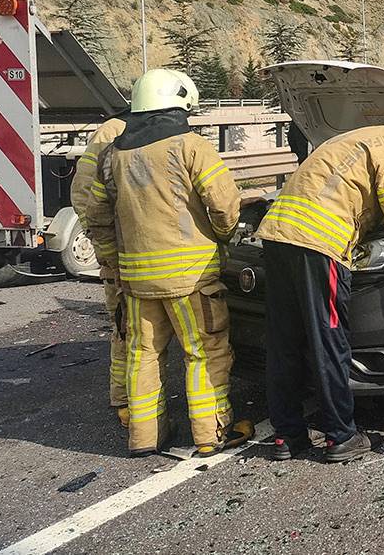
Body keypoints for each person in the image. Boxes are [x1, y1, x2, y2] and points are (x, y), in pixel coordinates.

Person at [255, 114, 384, 463]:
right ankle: (341, 435)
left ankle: (287, 435)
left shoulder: (358, 136)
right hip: (319, 246)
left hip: (276, 237)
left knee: (284, 340)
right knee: (327, 339)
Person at [83, 69, 252, 458]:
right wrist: (222, 237)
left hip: (137, 279)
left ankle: (144, 437)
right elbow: (224, 205)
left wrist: (113, 259)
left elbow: (97, 214)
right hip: (190, 278)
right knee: (203, 352)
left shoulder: (112, 155)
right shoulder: (191, 146)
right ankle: (211, 433)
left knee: (143, 354)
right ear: (179, 104)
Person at [69, 114, 129, 428]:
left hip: (135, 252)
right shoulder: (115, 132)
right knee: (124, 327)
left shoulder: (127, 129)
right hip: (120, 253)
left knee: (131, 329)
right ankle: (124, 398)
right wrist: (107, 248)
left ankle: (133, 397)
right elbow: (84, 195)